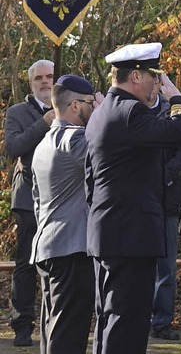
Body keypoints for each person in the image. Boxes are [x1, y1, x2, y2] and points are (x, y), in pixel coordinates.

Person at [85, 42, 181, 354]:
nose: (158, 85)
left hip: (110, 233)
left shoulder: (103, 111)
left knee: (109, 319)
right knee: (127, 323)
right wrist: (178, 100)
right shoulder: (130, 112)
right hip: (129, 237)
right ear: (136, 76)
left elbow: (89, 179)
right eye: (155, 77)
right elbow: (179, 133)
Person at [31, 75, 103, 354]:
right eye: (90, 103)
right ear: (75, 105)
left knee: (53, 328)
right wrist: (107, 112)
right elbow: (110, 145)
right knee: (68, 334)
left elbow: (38, 200)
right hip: (72, 248)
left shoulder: (43, 144)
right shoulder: (75, 140)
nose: (93, 108)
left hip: (48, 247)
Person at [3, 59, 55, 347]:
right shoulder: (17, 113)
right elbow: (14, 148)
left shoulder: (69, 108)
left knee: (57, 263)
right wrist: (43, 123)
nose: (45, 82)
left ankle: (53, 322)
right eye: (40, 78)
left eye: (50, 77)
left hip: (61, 198)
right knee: (25, 265)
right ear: (31, 83)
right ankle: (22, 326)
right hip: (27, 199)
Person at [147, 78, 181, 341]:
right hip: (139, 200)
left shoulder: (174, 111)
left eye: (157, 81)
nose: (153, 86)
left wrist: (168, 171)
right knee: (139, 263)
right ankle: (138, 318)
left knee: (166, 266)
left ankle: (162, 321)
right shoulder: (133, 111)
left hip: (167, 198)